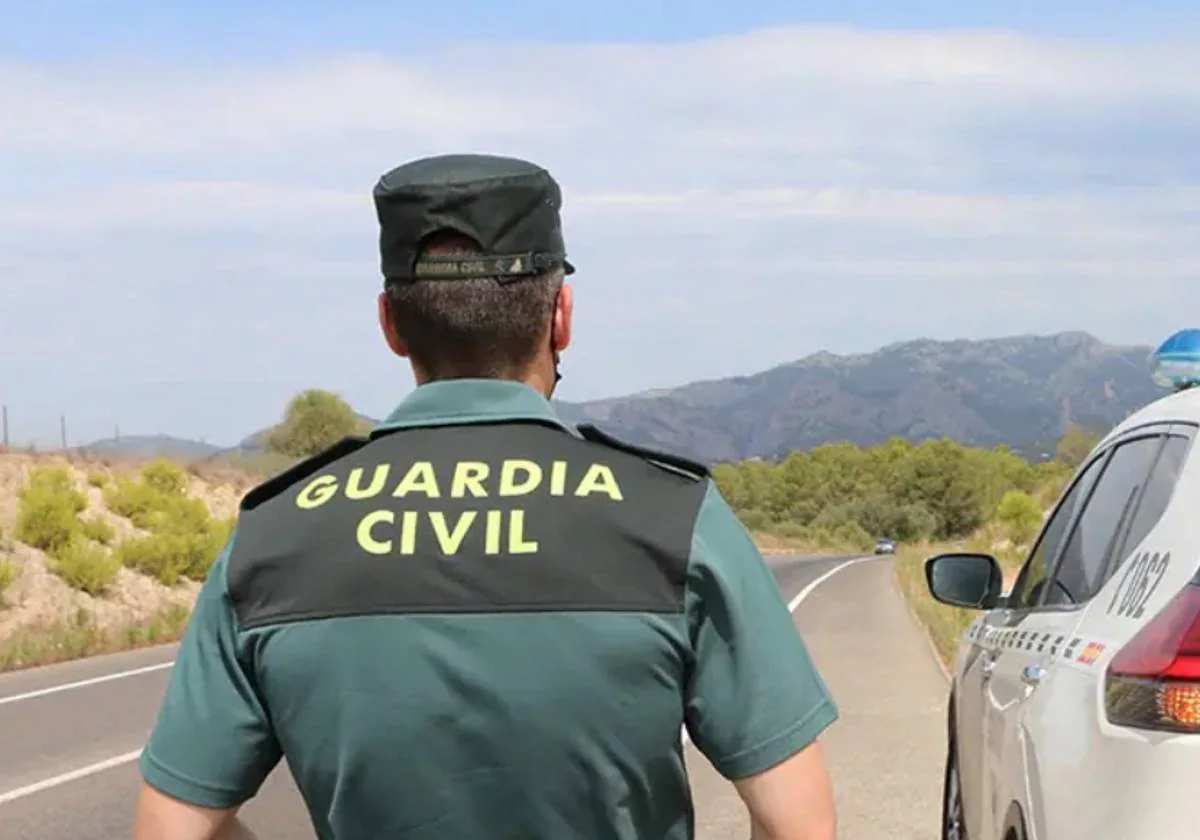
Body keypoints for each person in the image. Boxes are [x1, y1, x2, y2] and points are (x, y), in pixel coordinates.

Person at [132, 153, 840, 840]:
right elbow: (798, 823)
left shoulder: (275, 535)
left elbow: (173, 827)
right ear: (560, 316)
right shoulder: (672, 516)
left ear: (390, 324)